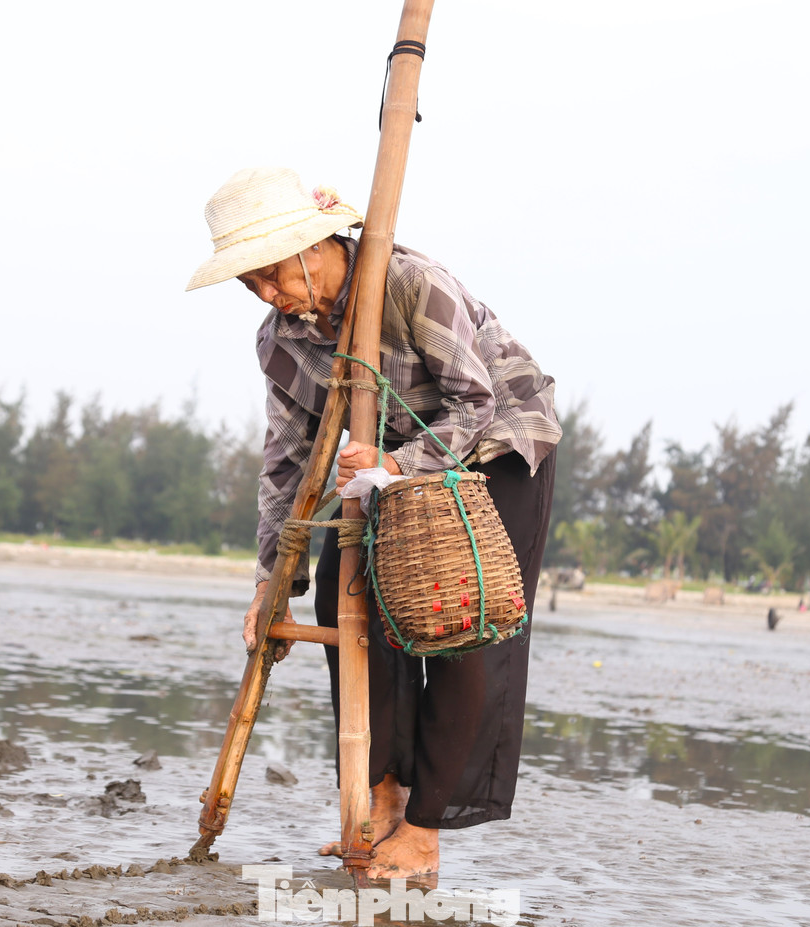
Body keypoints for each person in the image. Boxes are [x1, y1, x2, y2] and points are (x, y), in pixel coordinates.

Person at [186, 166, 562, 879]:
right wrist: (274, 581)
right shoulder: (281, 342)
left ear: (314, 245)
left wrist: (398, 462)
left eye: (273, 275)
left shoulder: (410, 282)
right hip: (379, 470)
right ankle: (383, 799)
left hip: (495, 447)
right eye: (252, 286)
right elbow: (288, 467)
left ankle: (425, 829)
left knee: (455, 617)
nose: (270, 296)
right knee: (342, 598)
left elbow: (472, 402)